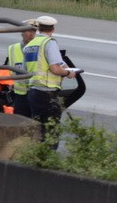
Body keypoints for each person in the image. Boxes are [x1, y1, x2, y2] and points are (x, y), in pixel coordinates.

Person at [24, 15, 82, 145]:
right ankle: (46, 160)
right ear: (53, 29)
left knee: (38, 129)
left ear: (38, 28)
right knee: (51, 132)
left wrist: (65, 67)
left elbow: (27, 68)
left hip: (33, 92)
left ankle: (36, 157)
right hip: (47, 92)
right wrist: (68, 73)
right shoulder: (49, 43)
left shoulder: (30, 45)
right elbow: (55, 69)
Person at [5, 18, 38, 117]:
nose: (31, 34)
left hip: (36, 93)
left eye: (34, 31)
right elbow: (11, 71)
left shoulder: (41, 48)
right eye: (29, 30)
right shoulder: (12, 49)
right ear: (21, 31)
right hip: (20, 95)